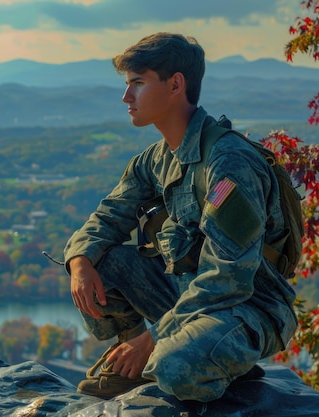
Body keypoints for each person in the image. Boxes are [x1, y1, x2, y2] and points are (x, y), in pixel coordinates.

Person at [63, 32, 297, 402]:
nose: (126, 97)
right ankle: (139, 366)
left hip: (248, 307)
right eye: (128, 85)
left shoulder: (228, 165)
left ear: (175, 85)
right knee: (99, 264)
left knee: (173, 368)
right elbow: (109, 215)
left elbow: (228, 278)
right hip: (189, 295)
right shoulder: (159, 157)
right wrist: (79, 260)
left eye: (137, 84)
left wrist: (155, 338)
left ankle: (193, 360)